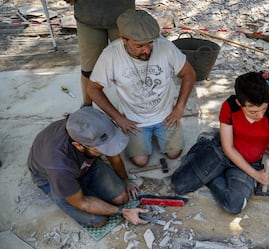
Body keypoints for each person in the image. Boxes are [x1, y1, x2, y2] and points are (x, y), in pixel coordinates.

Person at [172, 72, 269, 218]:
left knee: (234, 204)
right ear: (239, 103)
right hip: (222, 152)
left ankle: (210, 172)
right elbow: (228, 148)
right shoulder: (229, 106)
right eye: (253, 111)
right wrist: (256, 175)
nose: (260, 116)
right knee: (179, 185)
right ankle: (204, 147)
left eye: (263, 108)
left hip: (250, 161)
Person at [87, 9, 196, 167]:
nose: (146, 50)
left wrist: (179, 108)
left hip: (165, 114)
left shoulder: (164, 46)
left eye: (150, 43)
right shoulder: (110, 55)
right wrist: (118, 118)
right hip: (134, 119)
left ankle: (155, 136)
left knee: (174, 154)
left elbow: (189, 73)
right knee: (140, 161)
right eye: (139, 46)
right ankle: (145, 138)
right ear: (123, 39)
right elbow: (93, 89)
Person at [27, 107, 148, 227]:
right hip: (52, 180)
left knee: (121, 198)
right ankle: (78, 191)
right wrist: (123, 212)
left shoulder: (87, 126)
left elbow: (112, 153)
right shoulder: (59, 167)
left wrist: (126, 180)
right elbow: (82, 203)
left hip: (86, 164)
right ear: (79, 145)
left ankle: (89, 190)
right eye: (102, 148)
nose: (108, 151)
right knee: (99, 220)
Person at [64, 0, 135, 106]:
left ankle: (135, 105)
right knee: (89, 69)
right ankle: (87, 107)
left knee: (130, 67)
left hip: (123, 15)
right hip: (88, 16)